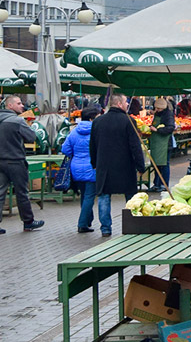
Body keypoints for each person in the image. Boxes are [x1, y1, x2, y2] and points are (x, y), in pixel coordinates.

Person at [91, 94, 146, 236]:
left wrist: (94, 163)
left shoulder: (98, 122)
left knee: (103, 196)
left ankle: (105, 229)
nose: (128, 104)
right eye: (126, 102)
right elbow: (135, 146)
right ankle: (133, 224)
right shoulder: (128, 121)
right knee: (131, 197)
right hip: (125, 166)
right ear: (120, 104)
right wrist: (140, 166)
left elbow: (92, 145)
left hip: (104, 166)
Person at [0, 95, 44, 232]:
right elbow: (31, 137)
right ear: (10, 106)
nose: (22, 106)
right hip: (15, 160)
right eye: (19, 103)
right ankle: (28, 221)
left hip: (0, 161)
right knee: (22, 193)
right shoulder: (17, 121)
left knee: (0, 192)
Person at [62, 106, 101, 232]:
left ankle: (87, 220)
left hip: (76, 167)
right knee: (89, 196)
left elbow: (65, 149)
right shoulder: (96, 132)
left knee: (84, 195)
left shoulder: (74, 131)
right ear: (91, 118)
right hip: (92, 166)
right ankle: (82, 224)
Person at [147, 97, 175, 192]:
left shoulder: (168, 115)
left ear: (163, 107)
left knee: (164, 164)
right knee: (156, 165)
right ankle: (156, 184)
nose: (157, 110)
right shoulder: (158, 114)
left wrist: (157, 130)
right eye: (156, 108)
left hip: (165, 144)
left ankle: (164, 184)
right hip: (156, 144)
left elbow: (171, 127)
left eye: (158, 108)